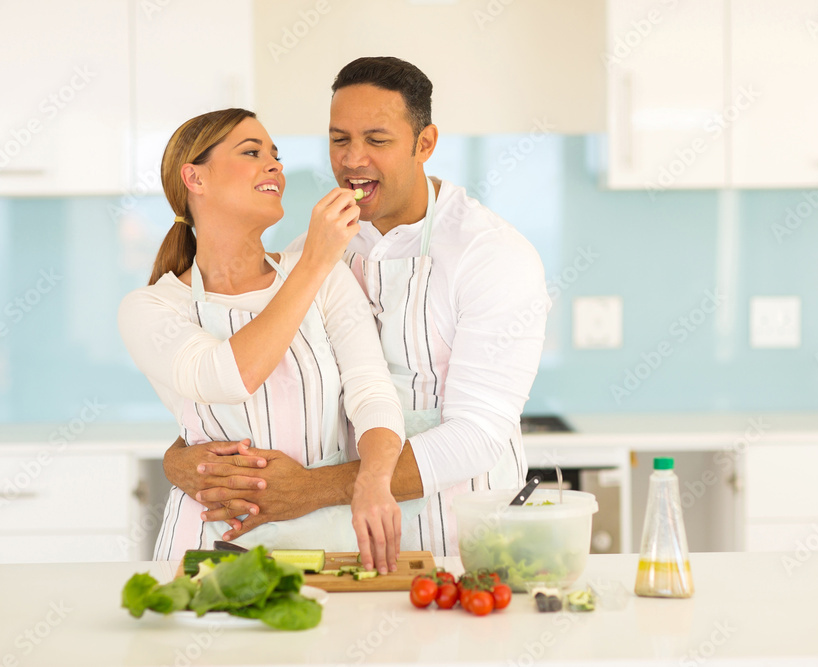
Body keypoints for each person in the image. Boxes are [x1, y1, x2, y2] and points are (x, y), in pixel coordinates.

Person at [163, 57, 551, 557]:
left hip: (458, 536)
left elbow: (476, 436)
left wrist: (313, 489)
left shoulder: (491, 253)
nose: (352, 160)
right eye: (339, 139)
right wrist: (178, 460)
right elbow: (259, 392)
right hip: (343, 540)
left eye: (377, 140)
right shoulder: (317, 249)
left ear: (425, 144)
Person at [118, 108, 411, 573]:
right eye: (252, 153)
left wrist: (373, 481)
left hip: (328, 539)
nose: (274, 164)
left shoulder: (327, 277)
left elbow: (370, 390)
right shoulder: (152, 307)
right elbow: (229, 377)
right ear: (194, 177)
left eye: (275, 155)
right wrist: (313, 260)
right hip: (212, 543)